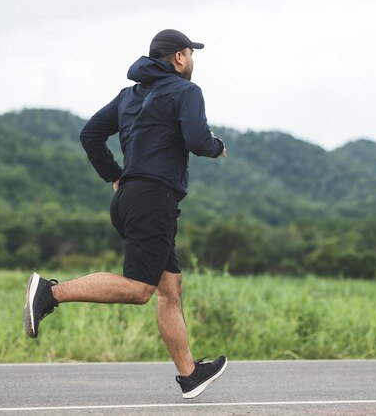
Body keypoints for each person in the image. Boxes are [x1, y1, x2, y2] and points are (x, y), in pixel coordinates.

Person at [24, 29, 228, 399]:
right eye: (190, 54)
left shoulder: (129, 96)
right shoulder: (187, 92)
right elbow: (198, 141)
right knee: (139, 289)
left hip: (131, 197)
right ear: (179, 58)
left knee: (170, 288)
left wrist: (115, 176)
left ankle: (190, 375)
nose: (192, 61)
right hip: (153, 198)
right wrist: (217, 147)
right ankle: (50, 294)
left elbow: (90, 135)